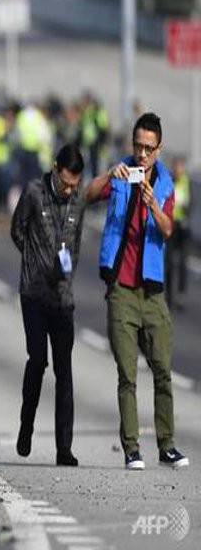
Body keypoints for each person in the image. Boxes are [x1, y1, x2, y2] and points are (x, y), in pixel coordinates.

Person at [84, 112, 189, 470]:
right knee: (127, 373)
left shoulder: (165, 186)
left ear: (158, 150)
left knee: (162, 369)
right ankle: (131, 448)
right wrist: (108, 175)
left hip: (152, 291)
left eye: (148, 148)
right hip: (122, 290)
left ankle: (167, 444)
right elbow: (87, 194)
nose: (142, 155)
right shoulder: (121, 173)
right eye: (138, 146)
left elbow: (168, 229)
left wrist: (152, 204)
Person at [11, 144, 86, 466]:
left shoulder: (78, 203)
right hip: (33, 294)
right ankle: (26, 426)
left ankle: (63, 448)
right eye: (66, 182)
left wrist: (66, 275)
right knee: (38, 360)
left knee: (64, 372)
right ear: (55, 169)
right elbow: (17, 231)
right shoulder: (33, 192)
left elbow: (78, 243)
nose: (70, 189)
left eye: (75, 184)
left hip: (62, 299)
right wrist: (34, 260)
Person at [166, 155, 191, 310]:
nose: (178, 170)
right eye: (176, 167)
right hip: (170, 225)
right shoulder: (168, 182)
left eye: (180, 167)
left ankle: (180, 294)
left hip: (183, 227)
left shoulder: (186, 182)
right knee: (169, 262)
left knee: (182, 262)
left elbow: (191, 204)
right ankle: (169, 294)